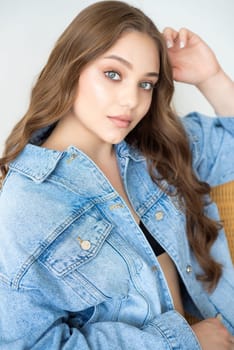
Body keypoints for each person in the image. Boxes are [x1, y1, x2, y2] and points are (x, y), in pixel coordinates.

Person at [0, 1, 234, 349]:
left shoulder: (157, 149)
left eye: (146, 84)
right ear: (71, 68)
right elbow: (32, 344)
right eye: (113, 74)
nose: (131, 100)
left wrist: (210, 77)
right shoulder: (26, 205)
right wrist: (184, 342)